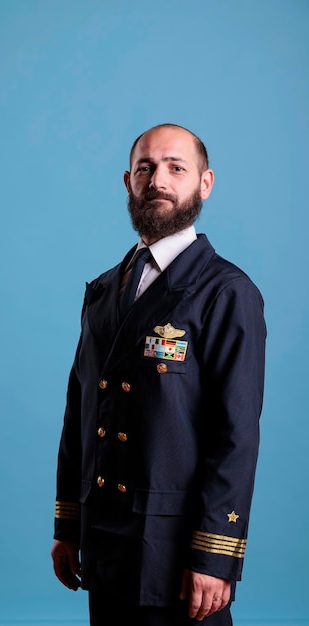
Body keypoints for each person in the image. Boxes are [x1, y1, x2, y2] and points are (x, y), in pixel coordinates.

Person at [51, 123, 266, 626]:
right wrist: (69, 522)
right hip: (104, 541)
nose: (158, 180)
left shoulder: (226, 292)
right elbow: (79, 411)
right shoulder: (104, 290)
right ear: (128, 181)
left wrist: (216, 556)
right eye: (145, 167)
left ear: (204, 183)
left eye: (176, 167)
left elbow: (236, 435)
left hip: (178, 549)